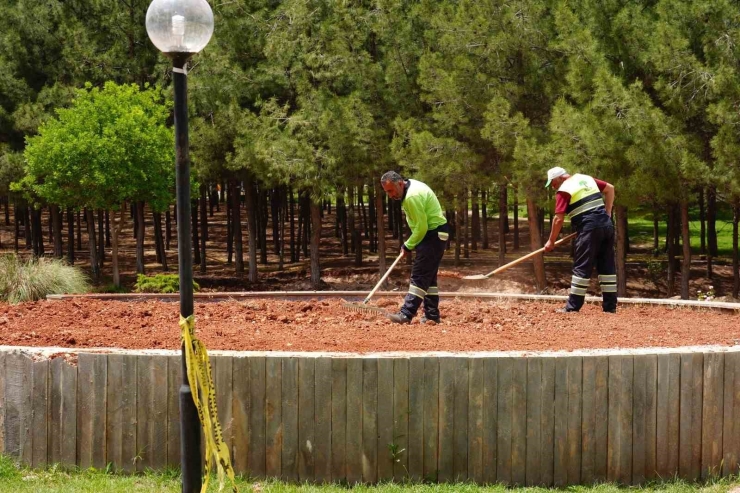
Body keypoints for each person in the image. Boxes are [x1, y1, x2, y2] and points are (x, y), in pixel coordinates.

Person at [544, 167, 617, 313]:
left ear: (560, 178)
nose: (552, 186)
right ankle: (610, 308)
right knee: (606, 266)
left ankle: (572, 308)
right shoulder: (586, 178)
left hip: (589, 228)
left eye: (552, 182)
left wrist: (551, 241)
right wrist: (608, 212)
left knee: (582, 266)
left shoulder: (564, 189)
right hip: (606, 226)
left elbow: (558, 219)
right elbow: (610, 188)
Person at [380, 171, 449, 324]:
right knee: (428, 277)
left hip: (432, 234)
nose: (390, 195)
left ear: (399, 183)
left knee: (418, 275)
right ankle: (432, 316)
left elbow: (421, 227)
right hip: (435, 234)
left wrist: (408, 245)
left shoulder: (411, 197)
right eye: (387, 192)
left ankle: (406, 314)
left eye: (390, 191)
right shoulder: (410, 187)